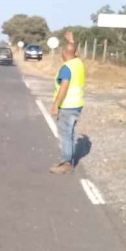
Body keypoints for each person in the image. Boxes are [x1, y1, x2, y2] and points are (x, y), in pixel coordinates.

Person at [49, 31, 85, 174]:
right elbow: (74, 50)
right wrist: (71, 40)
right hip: (77, 105)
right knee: (69, 133)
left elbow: (64, 87)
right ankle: (67, 159)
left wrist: (55, 105)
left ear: (63, 53)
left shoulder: (66, 68)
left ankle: (66, 163)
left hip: (67, 106)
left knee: (65, 134)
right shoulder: (78, 63)